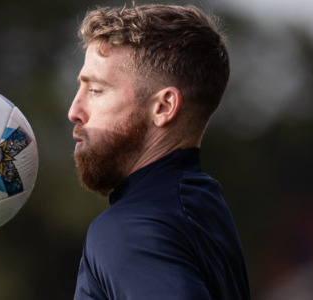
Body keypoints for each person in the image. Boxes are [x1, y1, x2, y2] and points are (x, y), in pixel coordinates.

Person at [68, 3, 251, 300]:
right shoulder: (202, 205)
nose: (74, 110)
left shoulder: (131, 230)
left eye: (96, 90)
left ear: (163, 107)